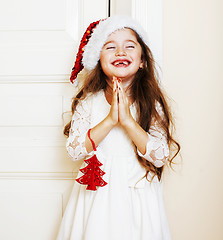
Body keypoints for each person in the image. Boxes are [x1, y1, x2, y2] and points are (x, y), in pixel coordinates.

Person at [57, 15, 180, 240]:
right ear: (98, 60)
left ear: (142, 60)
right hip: (96, 199)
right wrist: (110, 120)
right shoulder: (89, 103)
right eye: (110, 47)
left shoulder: (150, 104)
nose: (120, 52)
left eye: (129, 46)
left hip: (138, 198)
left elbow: (160, 156)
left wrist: (128, 122)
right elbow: (74, 150)